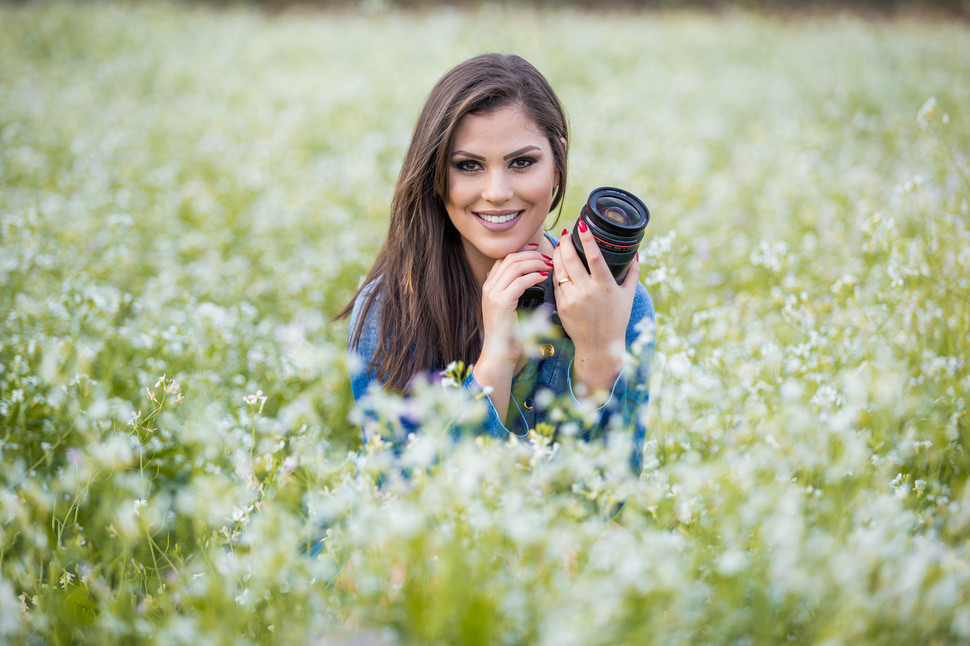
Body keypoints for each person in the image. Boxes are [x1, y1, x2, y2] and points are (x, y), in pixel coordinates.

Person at [335, 53, 654, 473]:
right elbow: (402, 504)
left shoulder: (615, 302)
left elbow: (610, 499)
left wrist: (598, 357)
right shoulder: (390, 308)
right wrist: (495, 363)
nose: (497, 192)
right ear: (435, 175)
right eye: (468, 166)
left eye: (522, 162)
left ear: (557, 164)